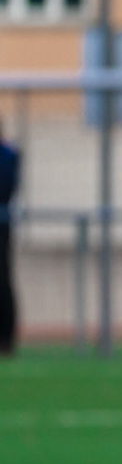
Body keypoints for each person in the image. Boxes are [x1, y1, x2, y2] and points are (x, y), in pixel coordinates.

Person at [0, 124, 16, 357]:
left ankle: (6, 338)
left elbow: (8, 187)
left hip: (2, 224)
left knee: (3, 280)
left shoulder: (9, 154)